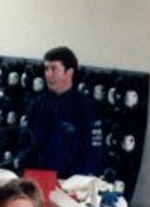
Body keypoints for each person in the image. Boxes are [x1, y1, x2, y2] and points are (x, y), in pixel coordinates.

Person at [21, 46, 103, 178]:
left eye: (54, 69)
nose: (48, 74)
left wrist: (73, 180)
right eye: (46, 69)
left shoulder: (86, 107)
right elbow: (25, 144)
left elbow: (94, 153)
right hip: (38, 178)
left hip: (71, 181)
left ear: (69, 73)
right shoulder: (37, 105)